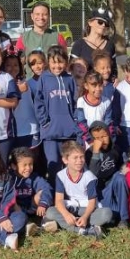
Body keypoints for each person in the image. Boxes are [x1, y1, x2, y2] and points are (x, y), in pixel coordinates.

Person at [44, 141, 113, 238]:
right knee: (50, 212)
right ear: (65, 160)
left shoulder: (89, 176)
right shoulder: (60, 175)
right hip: (71, 207)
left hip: (87, 209)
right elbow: (59, 200)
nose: (79, 160)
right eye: (75, 157)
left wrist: (85, 217)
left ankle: (68, 224)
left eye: (81, 157)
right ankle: (86, 230)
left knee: (107, 214)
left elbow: (92, 202)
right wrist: (66, 214)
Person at [33, 45, 80, 181]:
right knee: (53, 165)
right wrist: (44, 121)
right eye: (54, 62)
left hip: (69, 132)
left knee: (70, 165)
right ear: (49, 62)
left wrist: (75, 120)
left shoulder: (69, 79)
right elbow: (39, 101)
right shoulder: (44, 78)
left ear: (66, 62)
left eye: (60, 62)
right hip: (50, 132)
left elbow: (76, 101)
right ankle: (55, 195)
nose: (57, 66)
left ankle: (69, 195)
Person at [85, 121, 129, 228]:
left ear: (109, 135)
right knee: (110, 216)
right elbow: (92, 175)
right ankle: (115, 216)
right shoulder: (89, 153)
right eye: (97, 138)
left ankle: (124, 218)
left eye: (104, 136)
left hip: (113, 182)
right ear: (93, 140)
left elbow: (122, 167)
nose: (102, 140)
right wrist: (96, 152)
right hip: (100, 188)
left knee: (120, 177)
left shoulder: (115, 148)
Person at [8, 147, 53, 235]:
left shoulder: (34, 177)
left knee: (41, 193)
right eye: (24, 165)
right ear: (14, 166)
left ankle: (45, 221)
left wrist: (43, 203)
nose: (28, 168)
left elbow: (47, 188)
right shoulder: (9, 178)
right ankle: (27, 225)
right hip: (16, 209)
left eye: (30, 164)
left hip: (31, 207)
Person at [15, 1, 67, 68]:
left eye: (44, 14)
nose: (41, 17)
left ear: (49, 16)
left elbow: (65, 60)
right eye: (37, 14)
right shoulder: (24, 38)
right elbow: (18, 62)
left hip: (52, 77)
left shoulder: (57, 37)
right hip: (31, 77)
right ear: (32, 16)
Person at [4, 54, 40, 151]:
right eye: (8, 65)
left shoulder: (26, 82)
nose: (12, 68)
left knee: (33, 162)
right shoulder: (2, 85)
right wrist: (18, 91)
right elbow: (7, 106)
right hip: (13, 132)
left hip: (31, 129)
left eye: (16, 65)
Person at [76, 71, 112, 146]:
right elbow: (81, 123)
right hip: (86, 142)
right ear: (86, 86)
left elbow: (108, 122)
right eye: (94, 86)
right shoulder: (81, 102)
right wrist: (90, 140)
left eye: (100, 85)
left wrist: (105, 138)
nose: (98, 89)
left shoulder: (106, 102)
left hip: (102, 140)